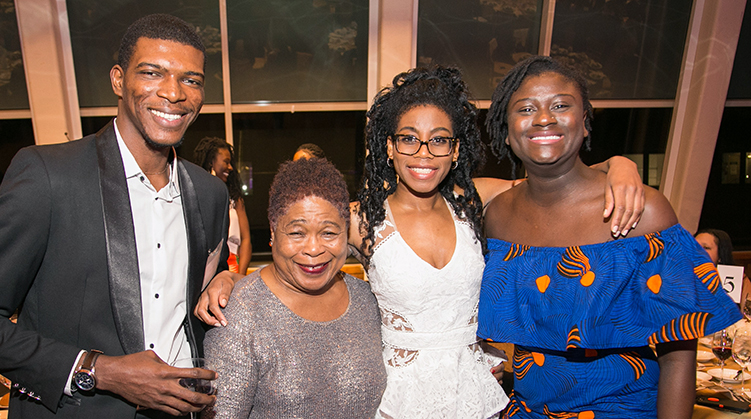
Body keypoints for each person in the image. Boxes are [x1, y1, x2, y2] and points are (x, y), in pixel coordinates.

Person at [196, 65, 645, 418]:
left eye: (438, 141)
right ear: (388, 147)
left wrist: (618, 164)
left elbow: (555, 179)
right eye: (409, 139)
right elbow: (303, 246)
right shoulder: (363, 218)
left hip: (475, 388)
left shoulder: (476, 198)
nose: (423, 154)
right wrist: (231, 283)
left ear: (455, 150)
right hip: (396, 397)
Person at [0, 14, 232, 418]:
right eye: (152, 72)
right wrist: (100, 370)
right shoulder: (48, 175)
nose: (174, 92)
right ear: (118, 80)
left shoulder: (210, 193)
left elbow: (193, 298)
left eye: (191, 80)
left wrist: (227, 281)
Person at [477, 55, 742, 418]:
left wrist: (617, 164)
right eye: (526, 108)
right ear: (506, 131)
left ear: (584, 123)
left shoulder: (642, 212)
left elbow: (679, 357)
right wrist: (615, 161)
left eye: (560, 105)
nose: (543, 118)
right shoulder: (496, 215)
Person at [203, 158, 386, 418]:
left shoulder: (367, 301)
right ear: (273, 232)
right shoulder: (241, 314)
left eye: (329, 233)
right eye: (297, 233)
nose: (313, 248)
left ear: (346, 234)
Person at [194, 136, 252, 274]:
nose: (230, 167)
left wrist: (240, 275)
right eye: (226, 162)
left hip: (234, 267)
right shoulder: (195, 195)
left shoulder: (235, 198)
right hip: (206, 270)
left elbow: (246, 240)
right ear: (211, 163)